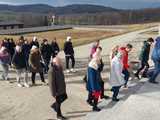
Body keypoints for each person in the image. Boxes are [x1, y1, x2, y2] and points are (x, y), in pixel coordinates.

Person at [87, 47, 102, 112]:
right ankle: (94, 107)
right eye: (97, 51)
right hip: (92, 71)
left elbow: (99, 63)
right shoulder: (95, 55)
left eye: (99, 51)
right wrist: (94, 89)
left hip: (94, 72)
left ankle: (89, 100)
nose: (98, 52)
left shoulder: (98, 56)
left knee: (94, 89)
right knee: (96, 91)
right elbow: (97, 62)